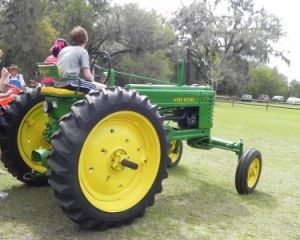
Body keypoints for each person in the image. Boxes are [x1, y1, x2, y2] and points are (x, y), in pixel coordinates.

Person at [56, 26, 106, 93]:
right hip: (71, 83)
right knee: (104, 88)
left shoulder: (64, 50)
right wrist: (93, 81)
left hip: (57, 83)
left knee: (88, 84)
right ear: (85, 40)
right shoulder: (82, 51)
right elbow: (87, 76)